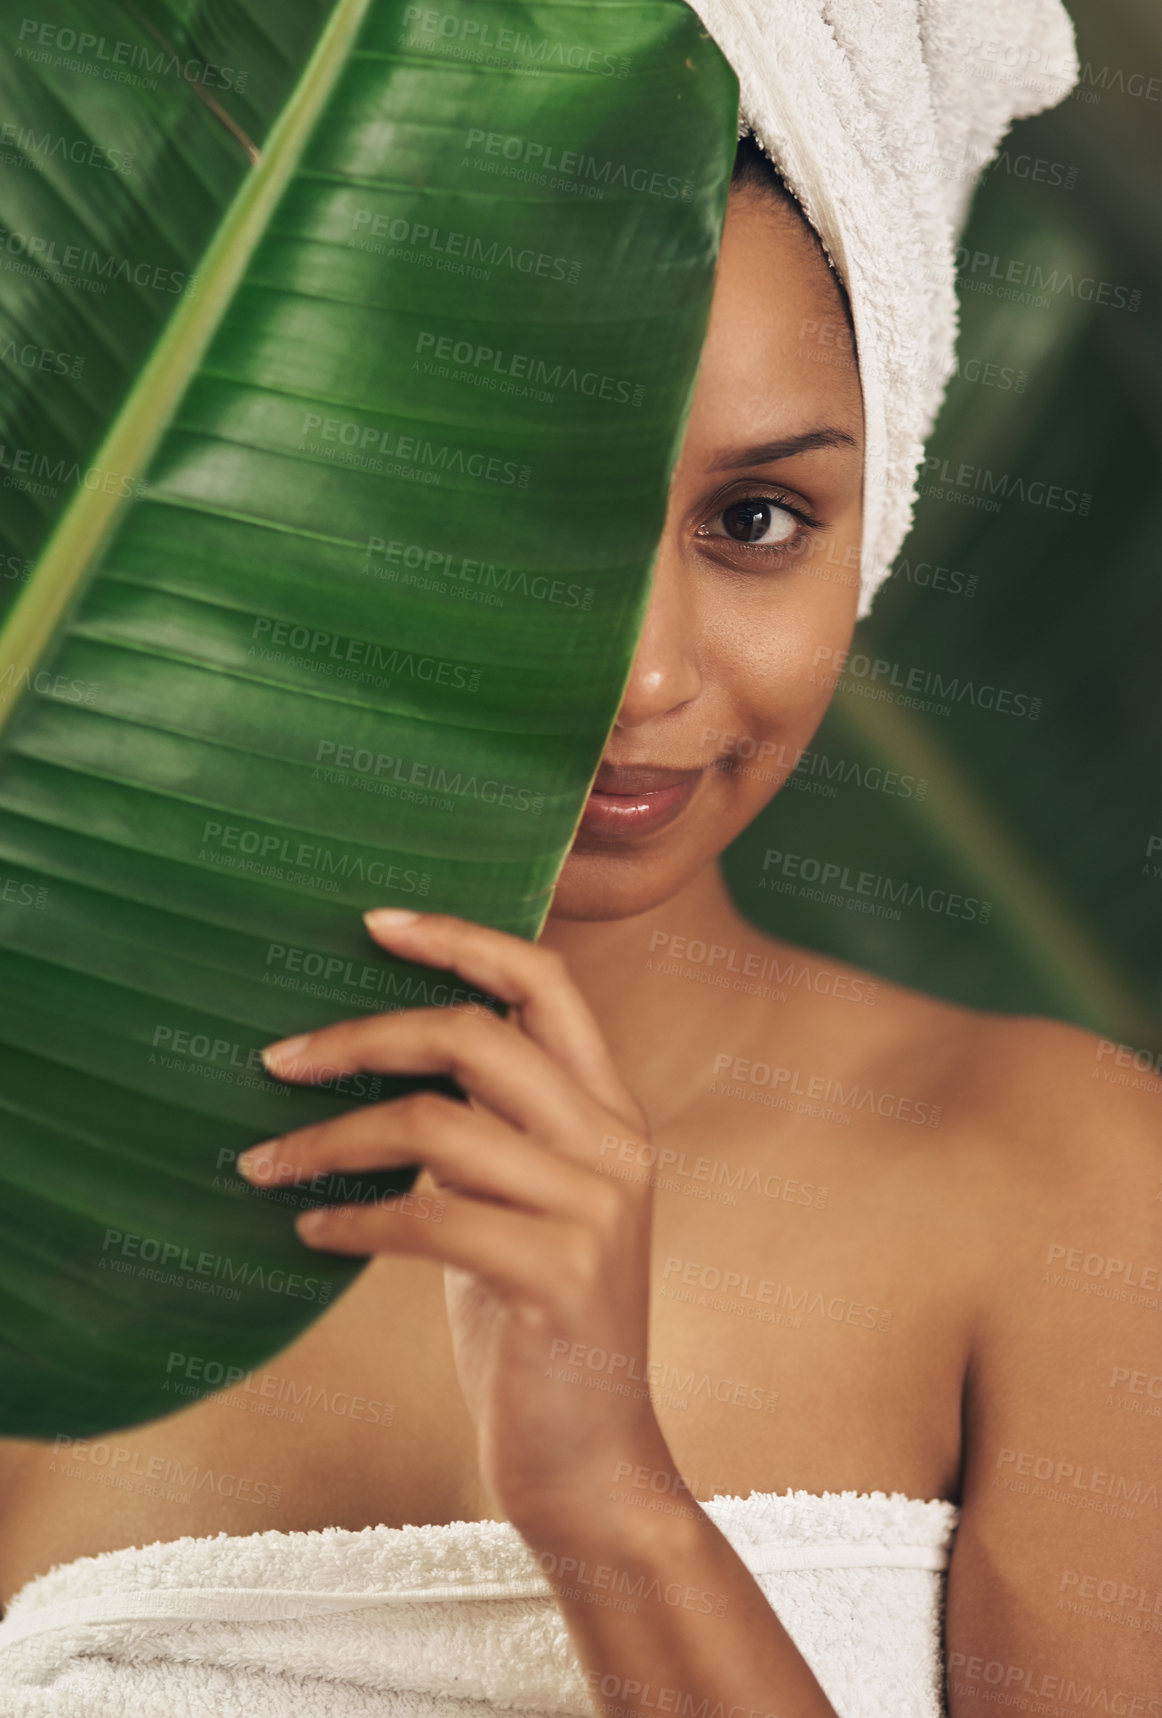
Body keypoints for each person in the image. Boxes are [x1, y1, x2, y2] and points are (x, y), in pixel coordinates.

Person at [0, 133, 1156, 1718]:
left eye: (755, 520)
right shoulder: (38, 1198)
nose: (647, 679)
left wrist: (613, 1510)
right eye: (521, 524)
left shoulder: (1060, 1170)